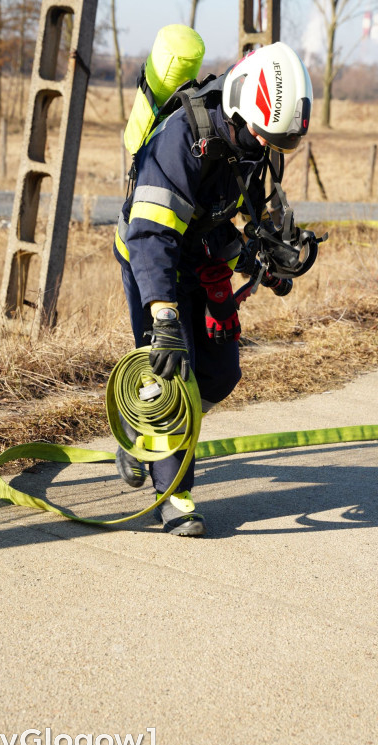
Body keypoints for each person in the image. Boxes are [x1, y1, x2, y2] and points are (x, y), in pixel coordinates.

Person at [113, 41, 313, 537]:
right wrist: (162, 316)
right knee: (174, 374)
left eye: (277, 142)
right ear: (241, 105)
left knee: (221, 374)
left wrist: (264, 261)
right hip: (154, 259)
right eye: (263, 136)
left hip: (200, 258)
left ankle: (143, 426)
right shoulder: (183, 138)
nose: (267, 147)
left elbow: (230, 212)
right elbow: (151, 234)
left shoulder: (248, 140)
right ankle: (174, 496)